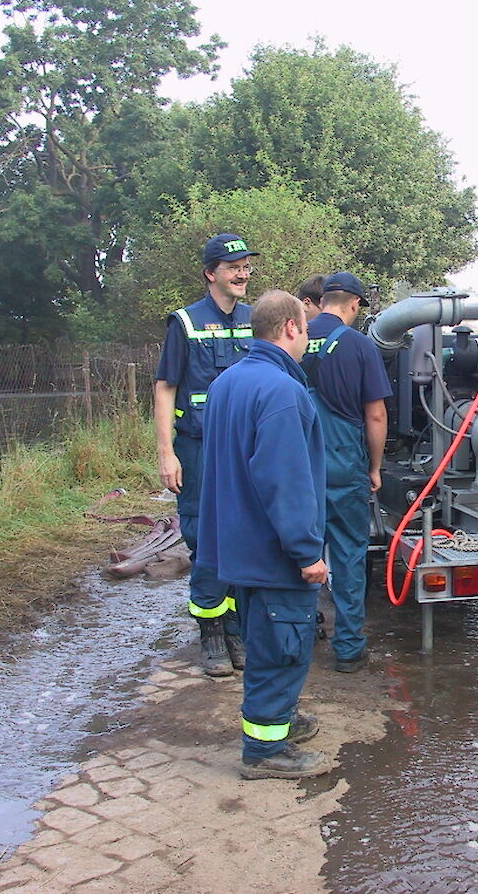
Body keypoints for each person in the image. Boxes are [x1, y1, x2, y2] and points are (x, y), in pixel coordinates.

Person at [196, 290, 332, 779]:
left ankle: (279, 719)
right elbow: (285, 480)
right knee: (284, 645)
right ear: (291, 328)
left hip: (239, 544)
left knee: (266, 637)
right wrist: (305, 551)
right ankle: (264, 750)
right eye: (307, 328)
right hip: (275, 550)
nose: (309, 338)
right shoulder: (282, 392)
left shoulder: (227, 381)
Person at [153, 233, 257, 677]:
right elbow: (165, 387)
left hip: (244, 450)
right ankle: (211, 633)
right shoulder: (186, 322)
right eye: (234, 267)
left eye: (247, 266)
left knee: (242, 536)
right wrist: (166, 452)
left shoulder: (257, 319)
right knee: (205, 539)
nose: (243, 273)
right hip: (197, 449)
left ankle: (234, 626)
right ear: (211, 273)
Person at [301, 271, 391, 673]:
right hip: (343, 464)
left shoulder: (293, 337)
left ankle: (298, 637)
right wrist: (374, 467)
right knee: (349, 555)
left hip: (297, 465)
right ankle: (349, 648)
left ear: (322, 301)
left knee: (298, 552)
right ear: (354, 304)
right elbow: (375, 414)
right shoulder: (359, 345)